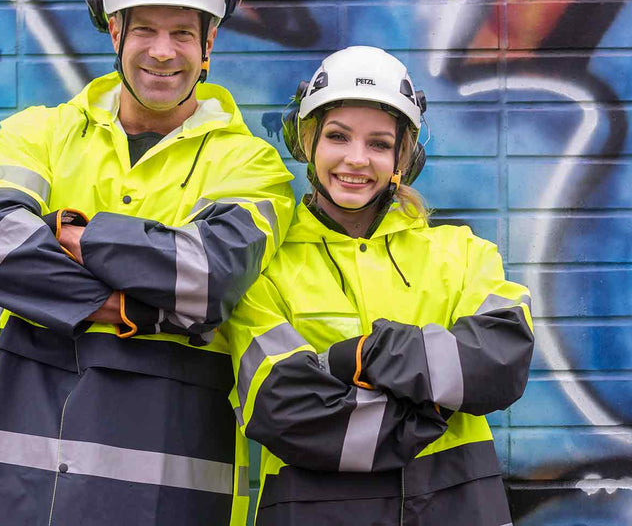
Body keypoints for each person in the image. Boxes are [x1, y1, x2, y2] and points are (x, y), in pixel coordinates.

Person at [0, 0, 295, 524]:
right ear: (114, 31)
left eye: (183, 32)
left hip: (169, 495)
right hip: (18, 496)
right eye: (145, 29)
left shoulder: (252, 166)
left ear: (210, 43)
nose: (163, 51)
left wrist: (73, 235)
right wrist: (137, 307)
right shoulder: (39, 133)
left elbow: (206, 281)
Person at [222, 46, 534, 525]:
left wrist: (365, 354)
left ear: (403, 158)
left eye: (380, 144)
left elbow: (500, 360)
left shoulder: (463, 253)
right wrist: (430, 408)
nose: (356, 159)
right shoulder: (266, 268)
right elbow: (282, 407)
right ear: (306, 142)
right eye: (338, 136)